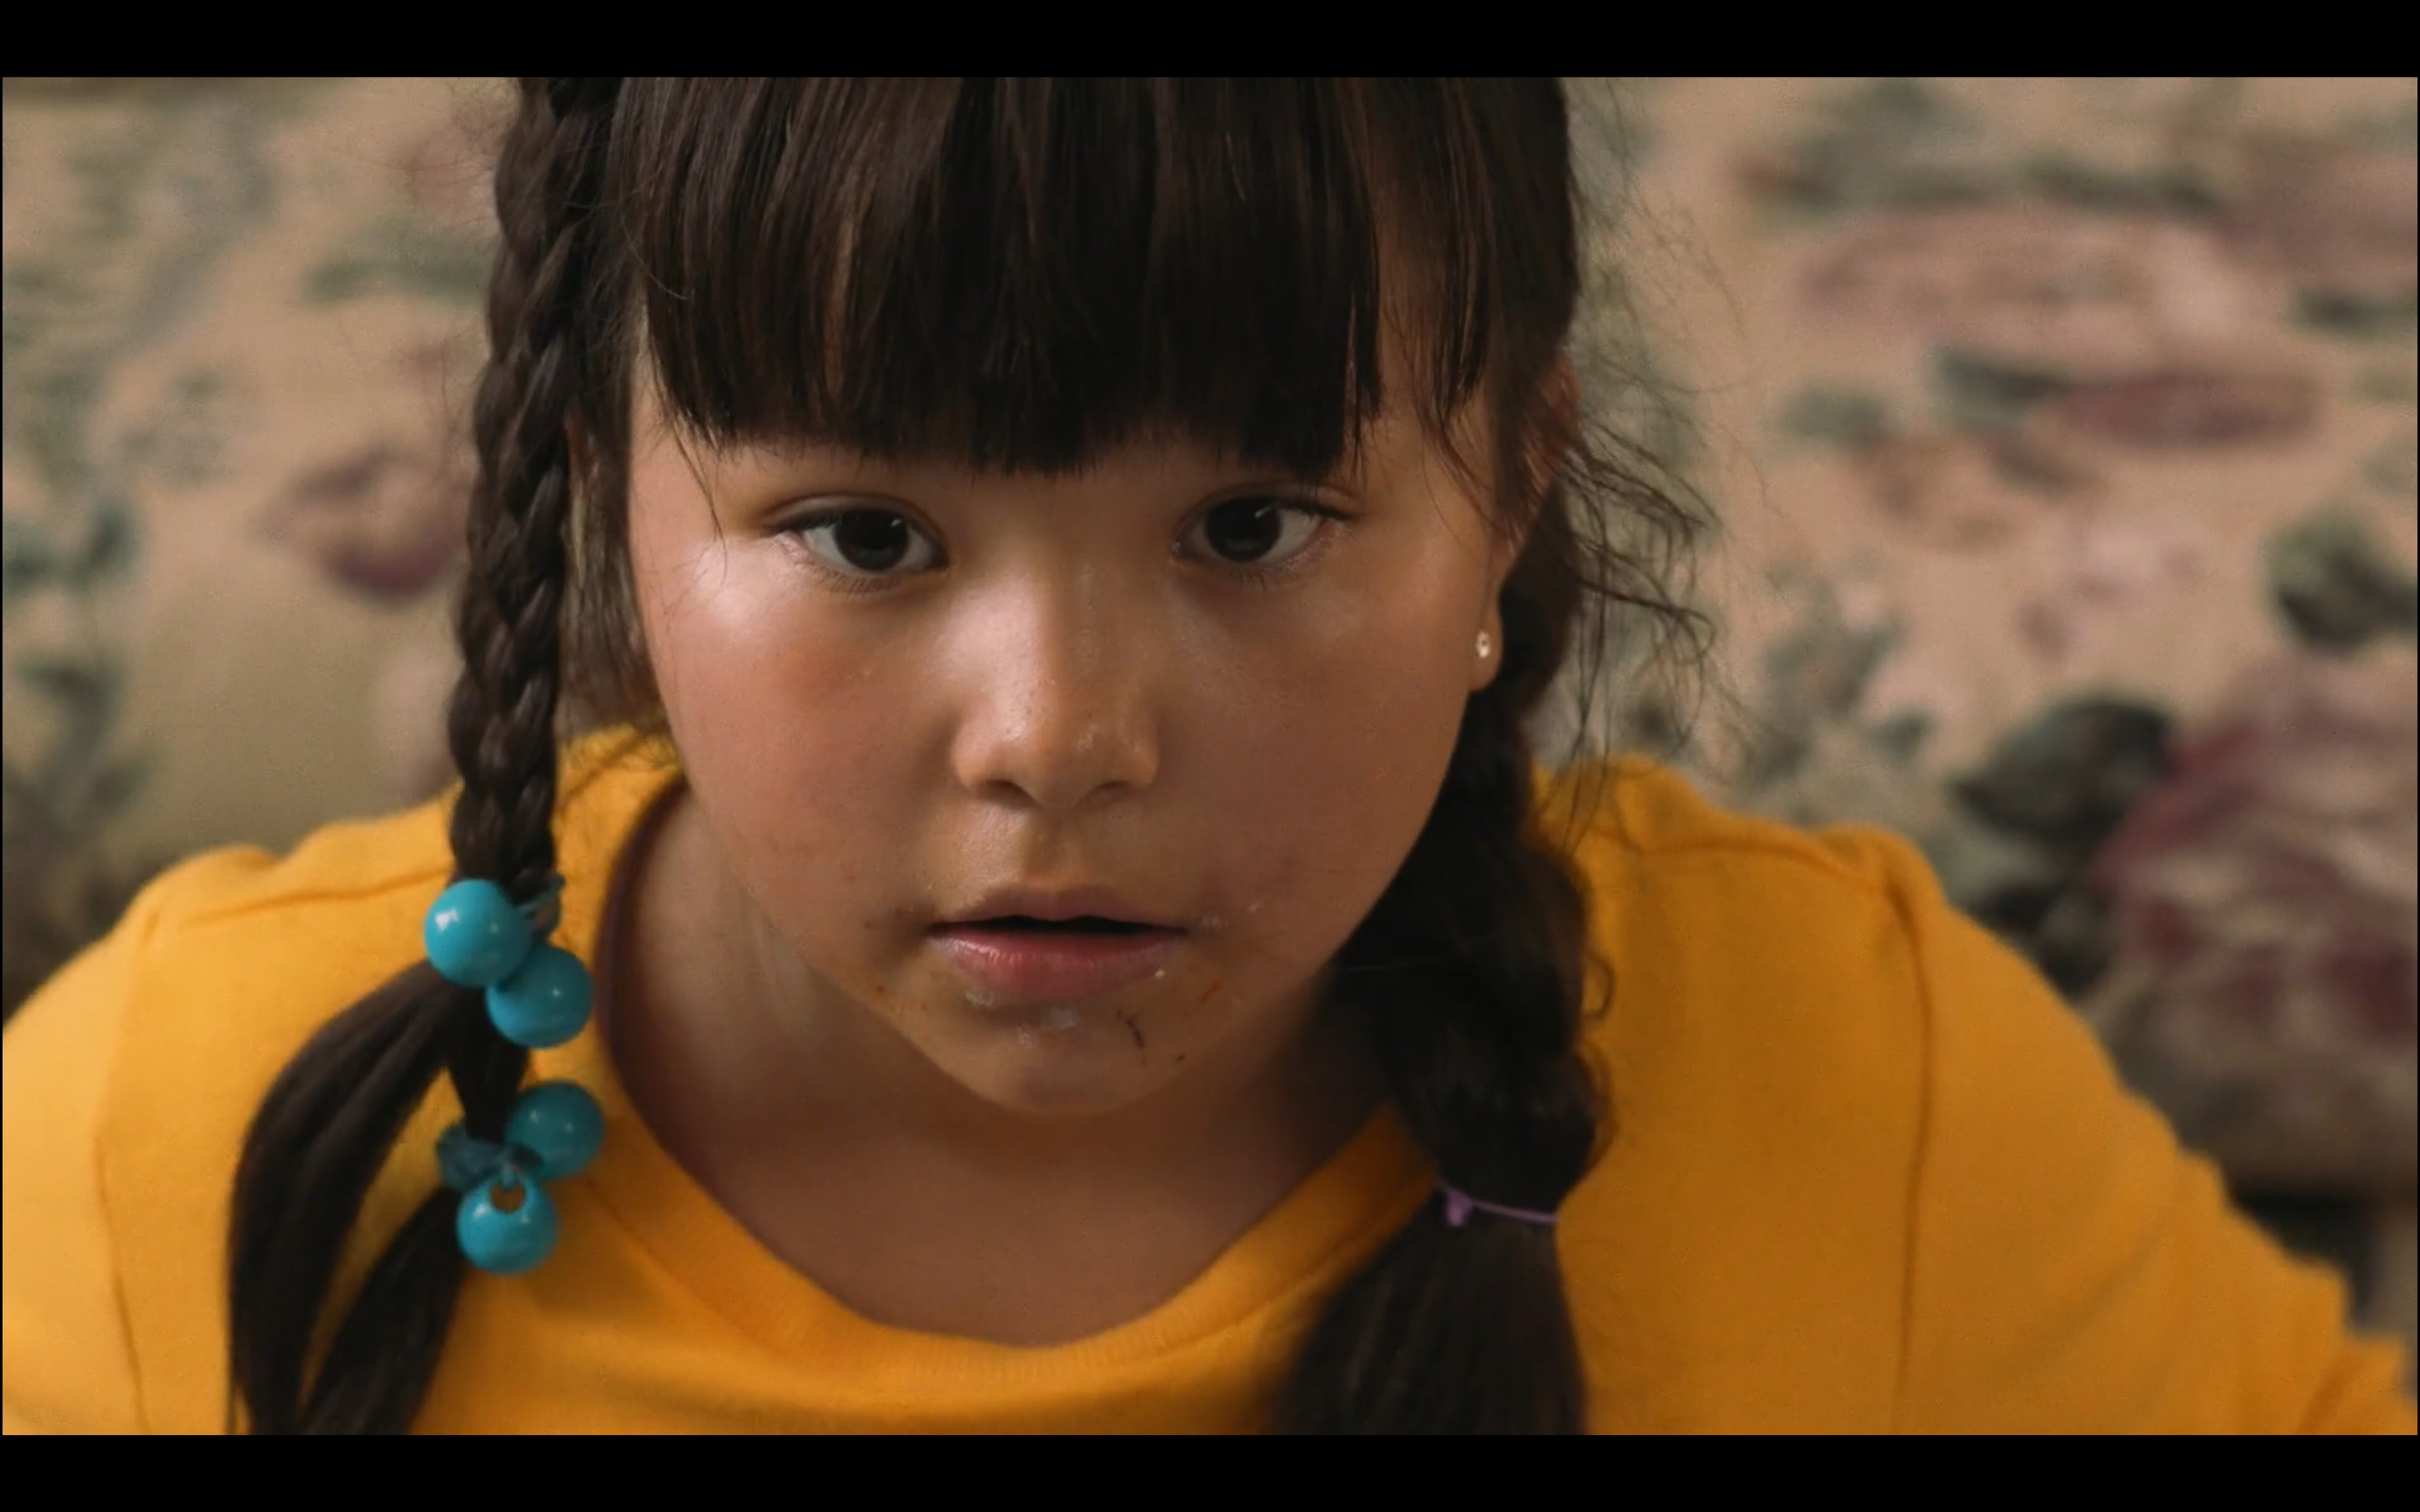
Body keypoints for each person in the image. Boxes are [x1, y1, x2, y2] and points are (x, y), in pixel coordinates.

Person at [4, 77, 2412, 1436]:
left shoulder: (1858, 1089)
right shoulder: (163, 1138)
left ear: (1515, 495)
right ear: (602, 506)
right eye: (864, 535)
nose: (1059, 740)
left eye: (1254, 525)